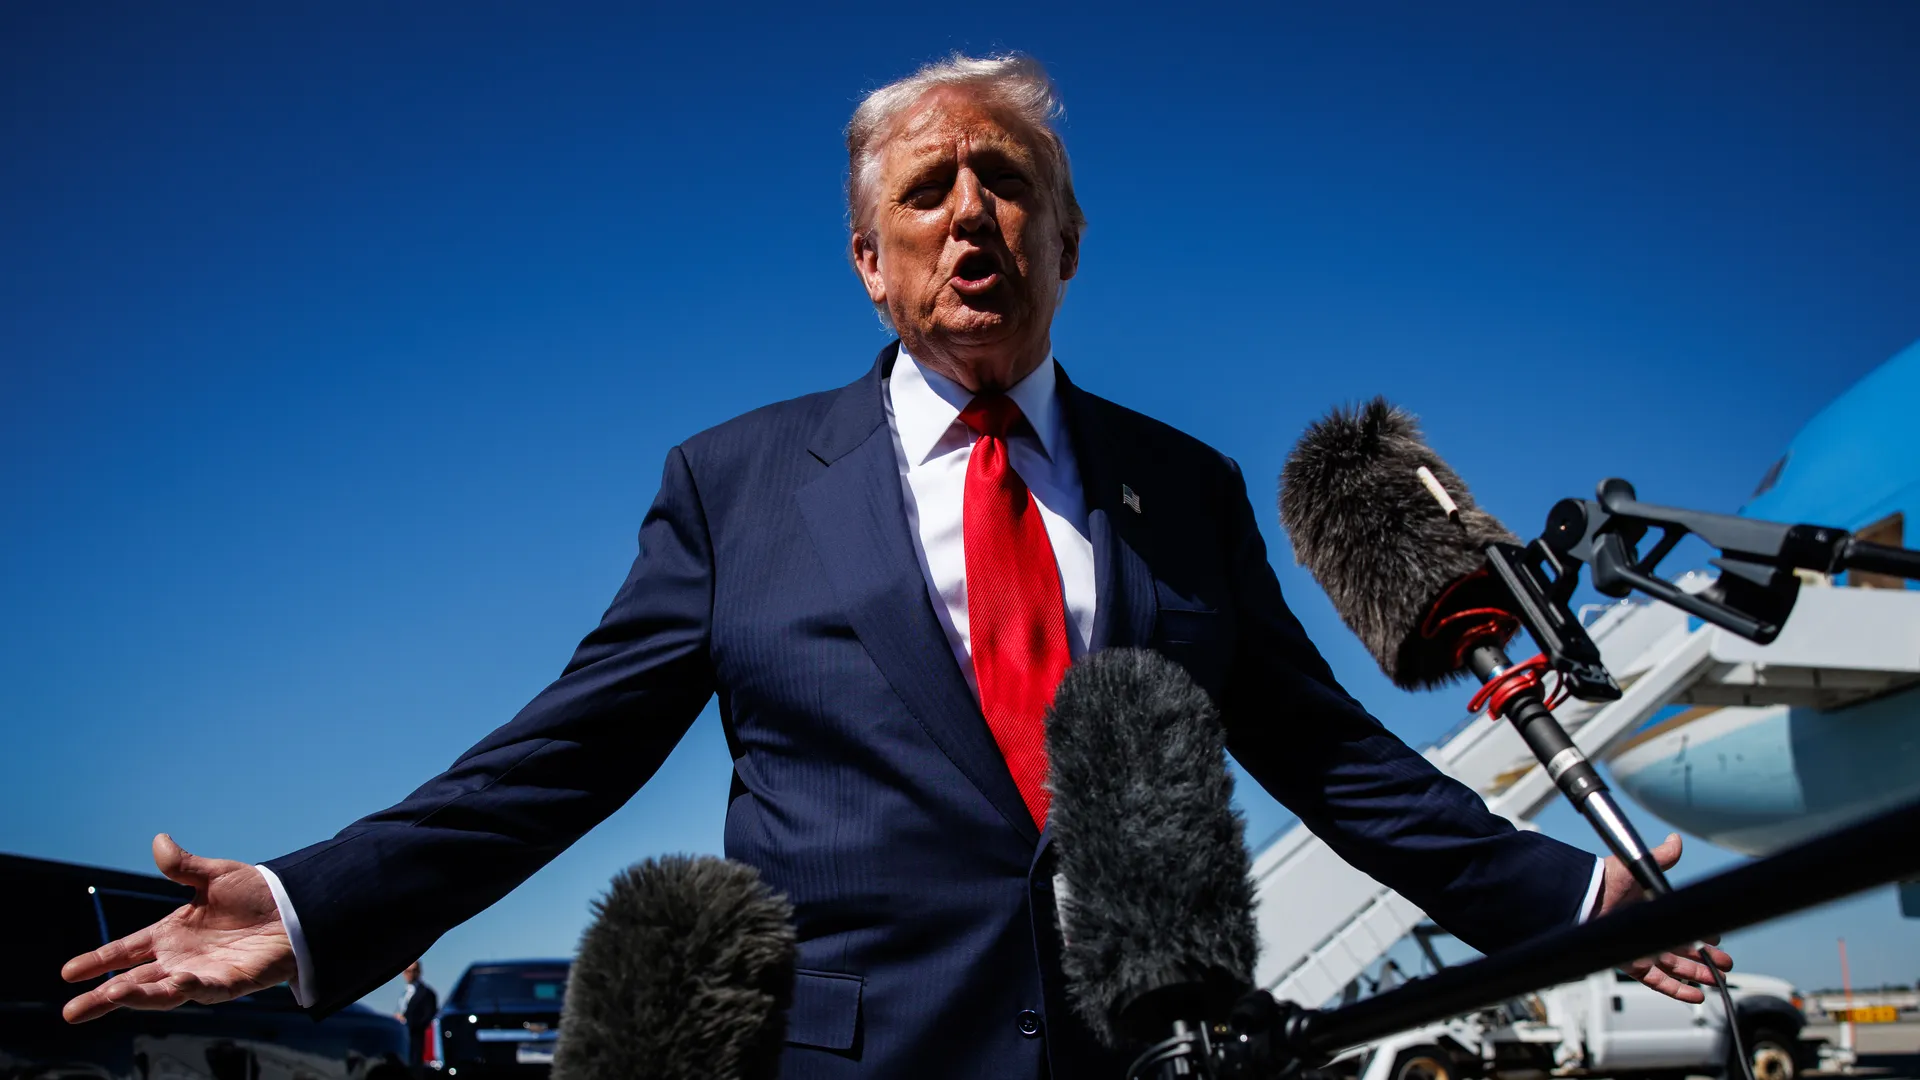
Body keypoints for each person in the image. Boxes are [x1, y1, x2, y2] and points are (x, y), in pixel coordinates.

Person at [59, 54, 1730, 1078]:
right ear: (871, 264)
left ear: (1069, 243)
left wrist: (1575, 897)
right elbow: (555, 760)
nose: (971, 215)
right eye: (928, 193)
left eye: (1011, 184)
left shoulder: (1186, 493)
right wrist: (305, 897)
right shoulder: (735, 489)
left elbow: (1330, 755)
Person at [394, 960, 437, 1074]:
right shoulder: (404, 993)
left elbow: (428, 1017)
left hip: (416, 1040)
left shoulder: (427, 993)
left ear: (419, 972)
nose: (410, 974)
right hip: (403, 1040)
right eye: (407, 971)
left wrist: (407, 1021)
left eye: (413, 971)